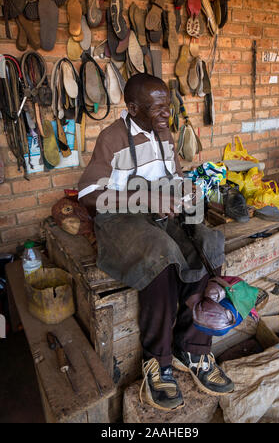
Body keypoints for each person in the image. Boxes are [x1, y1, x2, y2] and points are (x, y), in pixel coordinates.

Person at [78, 73, 234, 411]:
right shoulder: (112, 138)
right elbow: (88, 195)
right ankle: (158, 362)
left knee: (208, 243)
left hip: (162, 213)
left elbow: (173, 177)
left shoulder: (163, 133)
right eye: (158, 109)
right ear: (132, 108)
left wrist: (185, 188)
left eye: (168, 107)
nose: (167, 115)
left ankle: (192, 348)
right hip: (121, 218)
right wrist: (146, 198)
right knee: (161, 255)